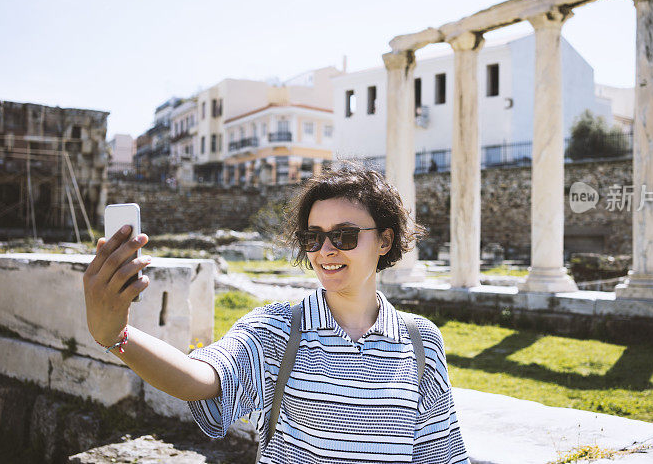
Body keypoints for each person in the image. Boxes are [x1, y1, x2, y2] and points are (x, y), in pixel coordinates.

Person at [83, 160, 471, 463]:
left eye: (344, 235)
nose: (326, 250)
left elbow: (441, 455)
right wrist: (118, 338)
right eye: (313, 238)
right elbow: (200, 378)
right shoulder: (279, 329)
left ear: (385, 240)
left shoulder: (421, 342)